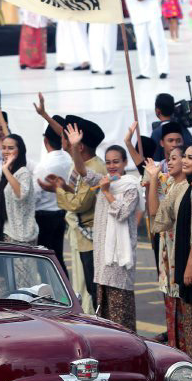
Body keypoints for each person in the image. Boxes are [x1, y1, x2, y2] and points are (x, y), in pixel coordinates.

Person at [67, 124, 142, 331]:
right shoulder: (103, 181)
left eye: (116, 161)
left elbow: (122, 212)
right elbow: (82, 170)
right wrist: (75, 147)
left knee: (121, 313)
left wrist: (107, 192)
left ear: (125, 162)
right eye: (108, 162)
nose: (111, 166)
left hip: (120, 260)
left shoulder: (130, 186)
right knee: (105, 314)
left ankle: (127, 346)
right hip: (102, 257)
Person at [150, 144, 192, 381]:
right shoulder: (179, 186)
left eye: (190, 157)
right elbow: (158, 215)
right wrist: (153, 180)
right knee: (189, 315)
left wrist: (189, 264)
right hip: (182, 258)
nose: (185, 161)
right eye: (184, 157)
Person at [52, 117, 105, 311]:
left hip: (90, 238)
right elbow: (77, 193)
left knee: (93, 289)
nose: (62, 141)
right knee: (86, 287)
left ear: (80, 146)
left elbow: (80, 203)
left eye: (65, 137)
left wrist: (59, 190)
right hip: (81, 236)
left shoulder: (92, 168)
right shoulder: (83, 164)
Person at [145, 147, 186, 344]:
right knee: (170, 299)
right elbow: (153, 209)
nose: (169, 162)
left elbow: (155, 211)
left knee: (182, 301)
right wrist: (153, 178)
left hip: (179, 246)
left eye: (174, 158)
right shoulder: (169, 182)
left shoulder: (186, 186)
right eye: (168, 158)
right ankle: (174, 343)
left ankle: (183, 346)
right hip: (167, 247)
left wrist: (153, 179)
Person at [120, 0, 168, 79]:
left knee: (158, 42)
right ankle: (145, 72)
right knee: (141, 45)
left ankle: (163, 69)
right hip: (137, 16)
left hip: (152, 13)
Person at [33, 115, 73, 268]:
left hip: (44, 217)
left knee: (44, 262)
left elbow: (35, 195)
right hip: (62, 213)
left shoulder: (43, 165)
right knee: (58, 259)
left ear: (45, 141)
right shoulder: (69, 160)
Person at [0, 134, 37, 245]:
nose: (6, 151)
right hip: (6, 231)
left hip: (22, 235)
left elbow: (21, 194)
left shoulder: (23, 173)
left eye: (11, 148)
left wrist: (5, 169)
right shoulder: (4, 174)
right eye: (4, 148)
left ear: (20, 151)